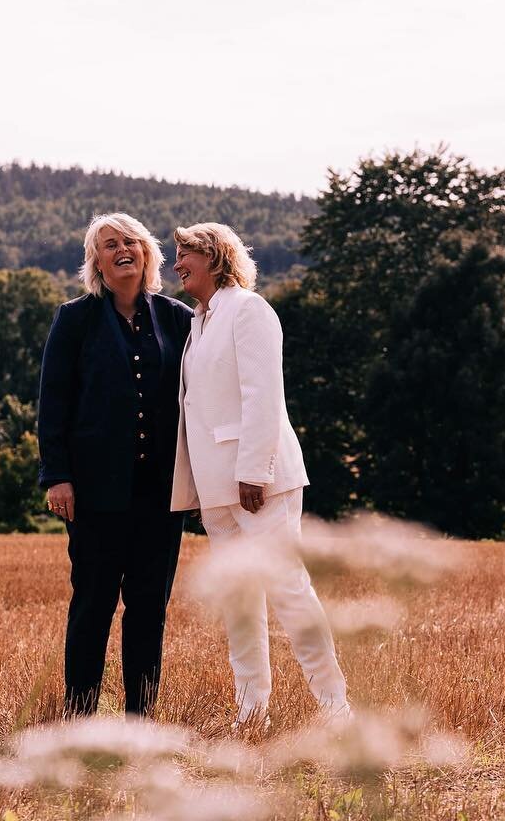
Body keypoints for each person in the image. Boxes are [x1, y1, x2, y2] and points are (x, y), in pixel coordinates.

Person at [170, 222, 348, 727]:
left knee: (289, 590)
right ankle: (251, 713)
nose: (176, 263)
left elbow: (263, 396)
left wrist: (253, 471)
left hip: (260, 482)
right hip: (216, 488)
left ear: (216, 257)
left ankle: (337, 711)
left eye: (185, 254)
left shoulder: (249, 310)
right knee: (239, 601)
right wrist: (205, 489)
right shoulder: (199, 320)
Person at [37, 213, 193, 718]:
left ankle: (140, 721)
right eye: (109, 244)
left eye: (131, 241)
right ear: (97, 262)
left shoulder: (178, 319)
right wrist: (57, 476)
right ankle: (80, 718)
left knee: (149, 609)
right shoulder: (74, 318)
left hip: (160, 495)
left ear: (147, 253)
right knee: (93, 606)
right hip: (95, 493)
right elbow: (53, 402)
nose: (122, 249)